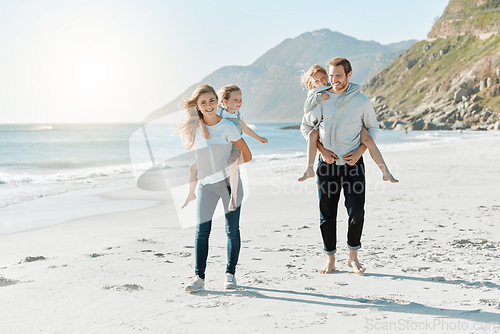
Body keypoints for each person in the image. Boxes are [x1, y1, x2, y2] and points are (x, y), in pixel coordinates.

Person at [300, 57, 379, 274]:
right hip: (326, 166)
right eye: (331, 75)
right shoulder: (320, 99)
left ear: (349, 75)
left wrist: (361, 151)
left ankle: (353, 258)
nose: (334, 80)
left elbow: (372, 128)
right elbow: (307, 128)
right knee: (327, 214)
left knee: (356, 212)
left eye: (339, 76)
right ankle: (330, 259)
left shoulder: (361, 101)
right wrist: (322, 151)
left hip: (353, 165)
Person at [178, 84, 252, 293]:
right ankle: (199, 277)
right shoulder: (195, 128)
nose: (209, 105)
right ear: (198, 107)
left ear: (218, 102)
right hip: (206, 186)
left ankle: (230, 274)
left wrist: (231, 161)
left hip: (229, 185)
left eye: (212, 101)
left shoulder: (228, 127)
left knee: (232, 231)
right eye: (203, 102)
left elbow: (248, 155)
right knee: (202, 232)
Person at [298, 64, 398, 183]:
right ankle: (309, 168)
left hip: (352, 146)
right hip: (325, 150)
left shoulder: (343, 92)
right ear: (311, 83)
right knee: (312, 135)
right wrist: (318, 96)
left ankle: (385, 171)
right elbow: (306, 113)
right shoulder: (315, 94)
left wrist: (360, 151)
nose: (322, 82)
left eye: (324, 78)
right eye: (317, 81)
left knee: (368, 140)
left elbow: (372, 126)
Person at [182, 85, 267, 211]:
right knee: (193, 167)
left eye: (240, 99)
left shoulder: (239, 115)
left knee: (232, 165)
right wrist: (204, 129)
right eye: (236, 100)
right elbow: (204, 116)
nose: (239, 102)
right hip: (221, 148)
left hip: (234, 148)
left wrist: (259, 138)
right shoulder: (219, 111)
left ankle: (233, 196)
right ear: (225, 102)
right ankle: (191, 194)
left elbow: (246, 129)